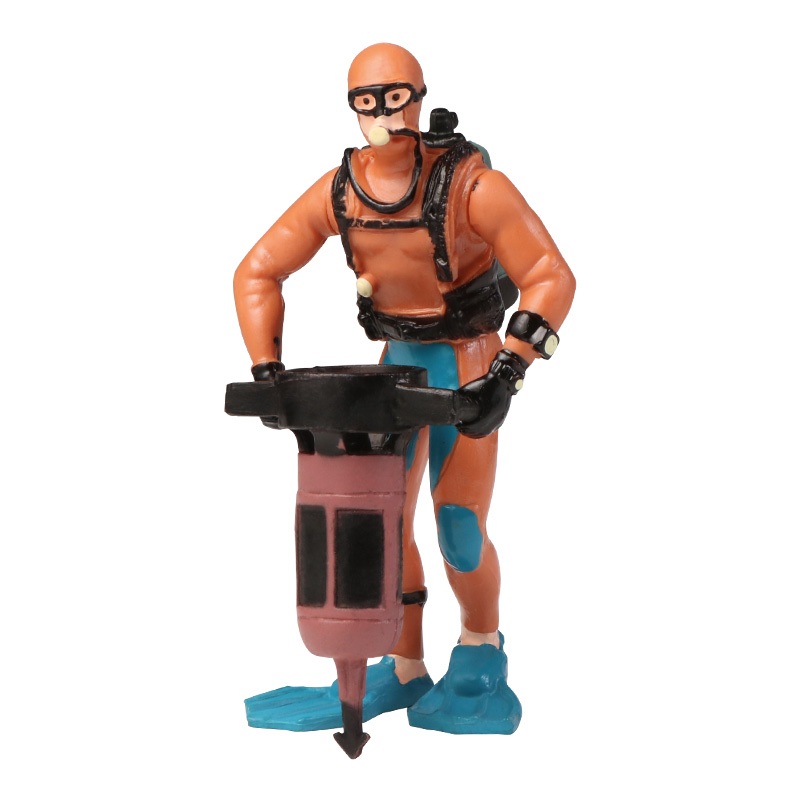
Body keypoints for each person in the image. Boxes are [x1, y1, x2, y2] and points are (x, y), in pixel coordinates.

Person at [233, 43, 576, 734]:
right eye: (368, 101)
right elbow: (257, 271)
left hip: (467, 361)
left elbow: (550, 275)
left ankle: (480, 652)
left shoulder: (473, 186)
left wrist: (508, 372)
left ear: (419, 98)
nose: (384, 114)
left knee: (459, 528)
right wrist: (268, 371)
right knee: (382, 523)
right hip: (395, 368)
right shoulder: (339, 192)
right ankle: (403, 662)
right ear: (351, 108)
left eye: (396, 97)